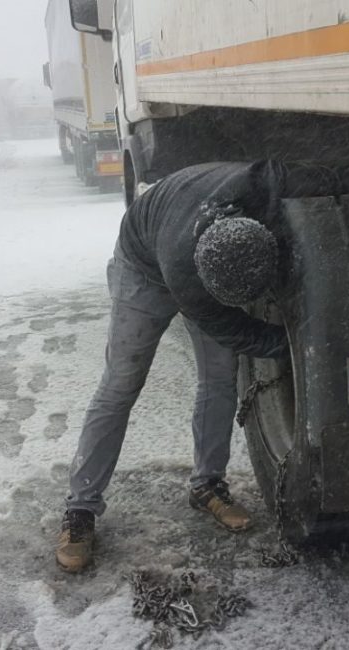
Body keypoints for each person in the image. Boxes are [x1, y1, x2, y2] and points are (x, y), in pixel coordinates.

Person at [56, 160, 292, 573]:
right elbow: (237, 333)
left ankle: (208, 486)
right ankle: (81, 508)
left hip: (196, 236)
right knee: (121, 384)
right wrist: (295, 348)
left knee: (221, 379)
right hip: (143, 269)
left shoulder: (263, 191)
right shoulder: (183, 269)